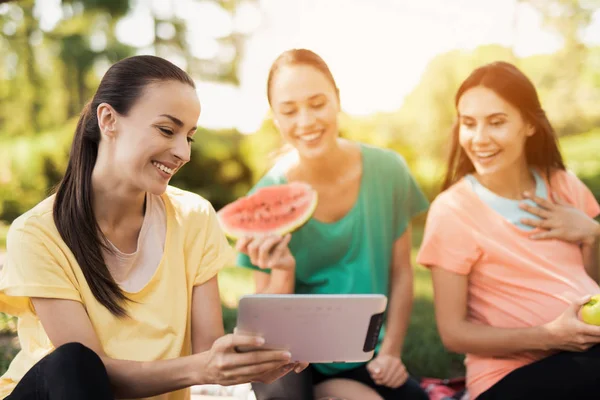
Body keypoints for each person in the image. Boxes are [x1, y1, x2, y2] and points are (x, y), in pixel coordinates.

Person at [0, 55, 305, 400]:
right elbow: (87, 375)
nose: (183, 152)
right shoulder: (37, 234)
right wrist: (204, 366)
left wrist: (255, 357)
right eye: (166, 130)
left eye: (189, 137)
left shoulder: (194, 217)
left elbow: (208, 351)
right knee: (74, 363)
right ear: (108, 119)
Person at [235, 48, 430, 400]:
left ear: (338, 100)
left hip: (367, 353)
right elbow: (268, 327)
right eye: (289, 111)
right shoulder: (265, 198)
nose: (306, 121)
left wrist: (392, 353)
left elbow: (401, 272)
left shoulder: (389, 171)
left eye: (317, 103)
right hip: (294, 362)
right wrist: (282, 271)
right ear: (275, 119)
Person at [416, 61, 600, 400]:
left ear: (529, 123)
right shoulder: (452, 209)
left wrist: (592, 234)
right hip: (508, 377)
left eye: (496, 123)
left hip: (585, 353)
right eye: (468, 124)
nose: (479, 138)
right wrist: (551, 336)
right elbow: (453, 334)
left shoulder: (564, 186)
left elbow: (593, 280)